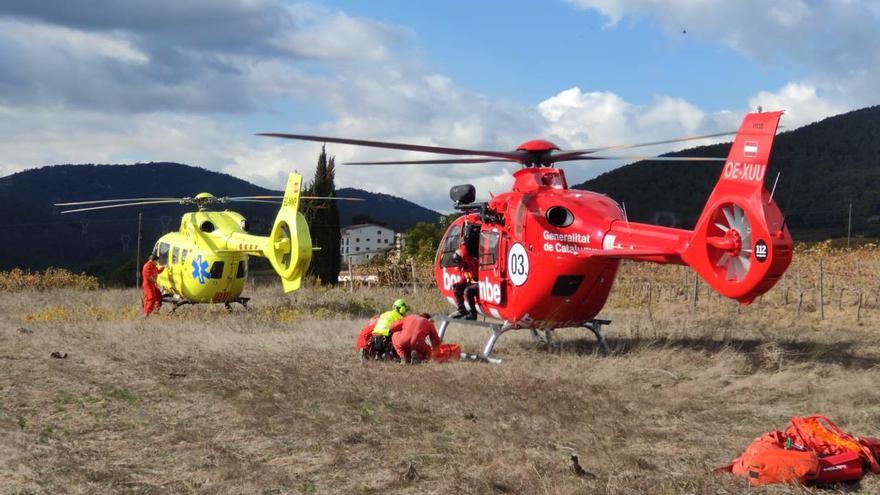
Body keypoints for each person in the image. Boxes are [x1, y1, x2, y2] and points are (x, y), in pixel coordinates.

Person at [451, 247, 479, 320]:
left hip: (481, 284)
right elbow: (464, 280)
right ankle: (462, 310)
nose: (458, 265)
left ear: (462, 259)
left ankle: (473, 314)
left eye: (458, 262)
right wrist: (456, 285)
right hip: (473, 284)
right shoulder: (464, 268)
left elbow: (465, 255)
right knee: (457, 287)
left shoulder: (472, 262)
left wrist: (463, 243)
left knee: (468, 291)